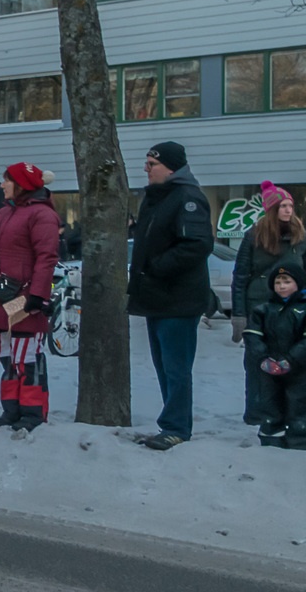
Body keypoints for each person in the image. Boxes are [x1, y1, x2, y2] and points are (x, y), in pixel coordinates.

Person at [128, 141, 214, 450]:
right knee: (164, 366)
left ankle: (177, 426)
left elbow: (197, 244)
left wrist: (158, 267)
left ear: (171, 167)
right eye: (147, 163)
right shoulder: (157, 199)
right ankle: (172, 423)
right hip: (157, 297)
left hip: (178, 299)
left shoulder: (188, 197)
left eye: (152, 164)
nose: (146, 169)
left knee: (176, 368)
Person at [0, 163, 59, 430]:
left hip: (25, 298)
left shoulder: (41, 215)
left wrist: (37, 294)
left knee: (27, 357)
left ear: (22, 185)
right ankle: (11, 409)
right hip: (3, 297)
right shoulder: (5, 213)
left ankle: (32, 412)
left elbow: (46, 257)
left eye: (7, 181)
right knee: (7, 354)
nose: (2, 185)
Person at [232, 182, 306, 383]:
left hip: (294, 312)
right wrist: (239, 315)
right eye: (283, 206)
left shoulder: (300, 236)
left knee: (292, 368)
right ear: (272, 209)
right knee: (259, 369)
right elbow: (240, 277)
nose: (288, 210)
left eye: (291, 206)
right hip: (260, 308)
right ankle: (259, 412)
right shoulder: (254, 236)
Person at [242, 264, 306, 447]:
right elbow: (252, 336)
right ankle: (271, 436)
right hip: (269, 367)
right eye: (278, 282)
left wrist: (291, 359)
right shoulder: (263, 310)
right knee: (270, 402)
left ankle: (299, 437)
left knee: (298, 402)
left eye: (287, 282)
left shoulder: (303, 310)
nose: (282, 286)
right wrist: (263, 358)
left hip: (300, 368)